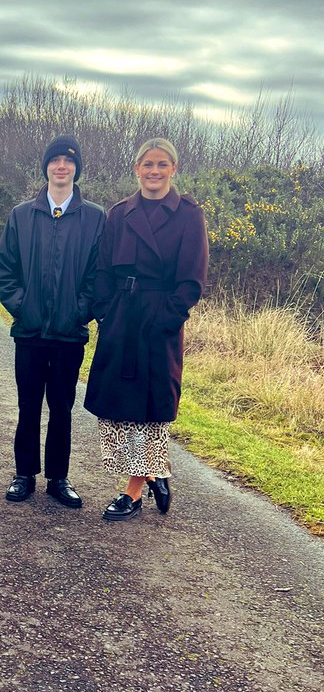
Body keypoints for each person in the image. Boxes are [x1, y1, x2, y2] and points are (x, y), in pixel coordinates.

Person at [84, 138, 209, 520]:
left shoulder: (189, 215)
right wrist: (105, 313)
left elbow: (192, 281)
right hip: (122, 318)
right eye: (147, 164)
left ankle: (133, 491)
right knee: (120, 408)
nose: (154, 171)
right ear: (136, 168)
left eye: (162, 164)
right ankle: (153, 471)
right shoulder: (119, 214)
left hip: (159, 322)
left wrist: (165, 321)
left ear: (173, 168)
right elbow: (102, 269)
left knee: (151, 407)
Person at [0, 134, 106, 506]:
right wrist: (23, 307)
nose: (62, 166)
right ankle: (23, 474)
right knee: (28, 405)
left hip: (69, 334)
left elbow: (99, 276)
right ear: (45, 167)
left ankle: (59, 478)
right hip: (30, 332)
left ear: (77, 169)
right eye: (55, 160)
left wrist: (79, 311)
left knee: (61, 408)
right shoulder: (22, 215)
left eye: (69, 161)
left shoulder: (94, 218)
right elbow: (5, 271)